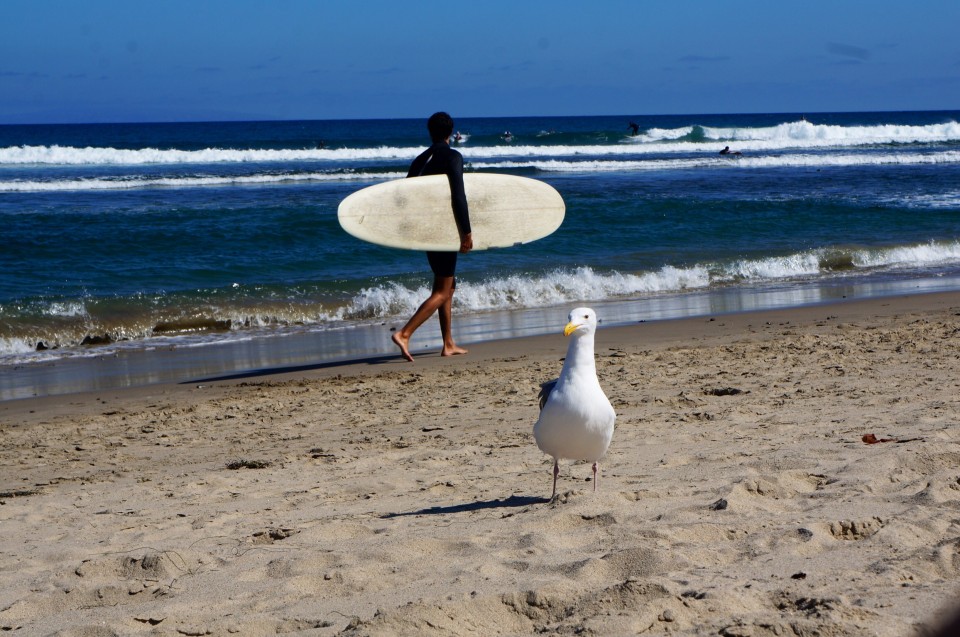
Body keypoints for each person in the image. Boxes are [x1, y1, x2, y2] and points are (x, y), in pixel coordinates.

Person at [391, 112, 473, 362]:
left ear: (430, 131)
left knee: (449, 284)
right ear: (451, 132)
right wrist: (466, 231)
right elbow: (459, 196)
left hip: (426, 230)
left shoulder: (420, 160)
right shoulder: (453, 156)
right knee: (441, 289)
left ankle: (448, 343)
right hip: (444, 230)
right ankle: (405, 333)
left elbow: (405, 197)